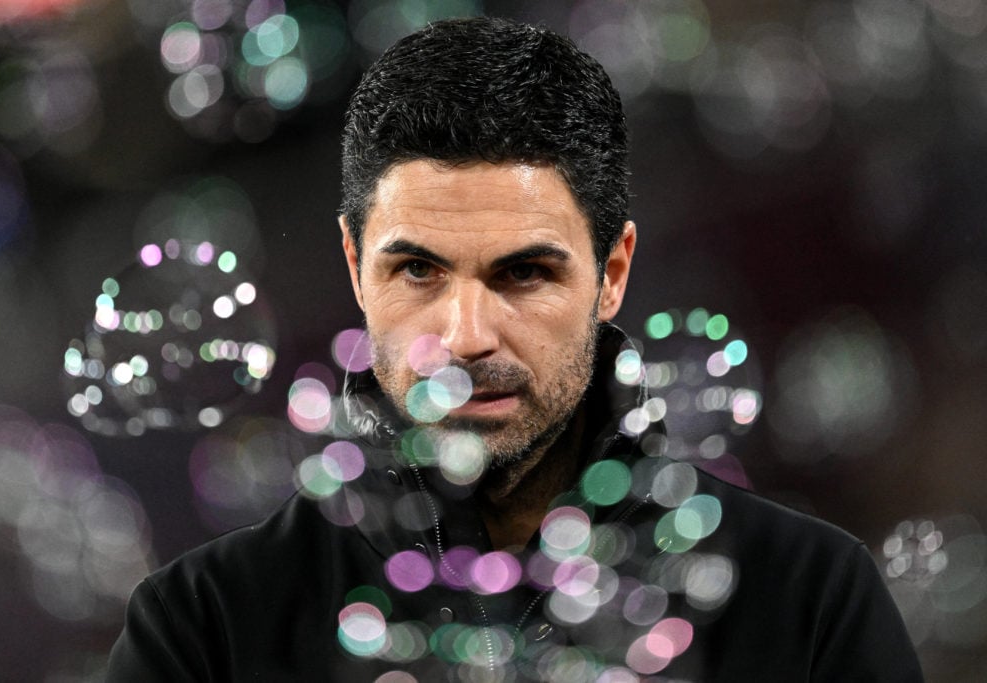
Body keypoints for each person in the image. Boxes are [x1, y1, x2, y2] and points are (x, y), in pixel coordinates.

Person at [106, 17, 923, 682]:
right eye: (418, 268)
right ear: (355, 267)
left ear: (613, 273)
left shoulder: (812, 602)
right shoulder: (201, 630)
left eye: (525, 272)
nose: (466, 335)